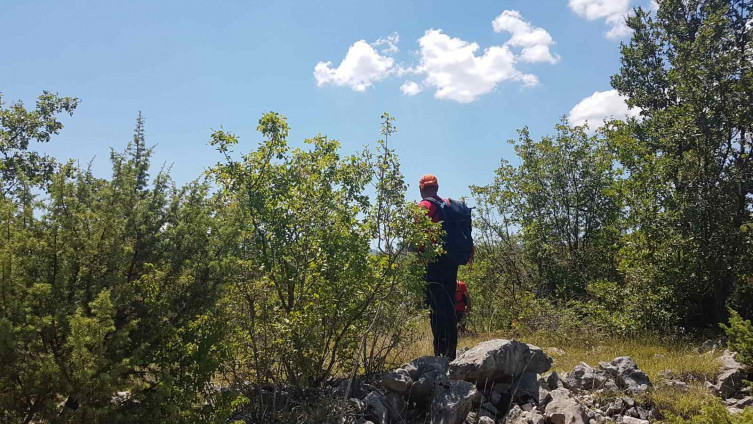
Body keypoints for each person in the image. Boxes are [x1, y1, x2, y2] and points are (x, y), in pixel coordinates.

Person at [418, 173, 460, 359]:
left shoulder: (423, 207)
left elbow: (417, 240)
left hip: (432, 263)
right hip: (451, 261)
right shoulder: (448, 207)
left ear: (421, 189)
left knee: (435, 307)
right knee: (449, 306)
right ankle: (451, 352)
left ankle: (439, 354)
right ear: (437, 188)